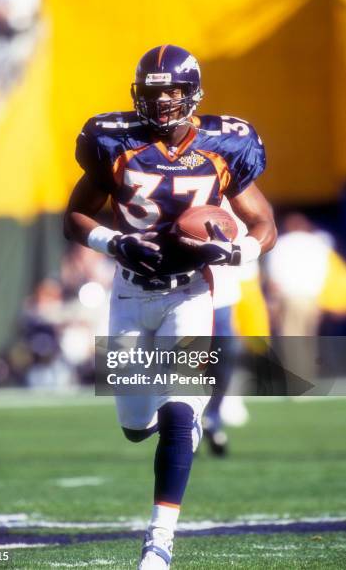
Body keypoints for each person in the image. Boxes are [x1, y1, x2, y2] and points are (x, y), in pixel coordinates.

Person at [64, 44, 277, 570]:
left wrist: (233, 250)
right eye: (155, 92)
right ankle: (175, 421)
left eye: (174, 91)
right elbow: (74, 217)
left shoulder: (225, 145)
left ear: (193, 92)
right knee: (137, 425)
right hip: (131, 292)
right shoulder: (112, 142)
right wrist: (115, 243)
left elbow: (263, 225)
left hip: (191, 291)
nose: (164, 102)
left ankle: (160, 539)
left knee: (180, 411)